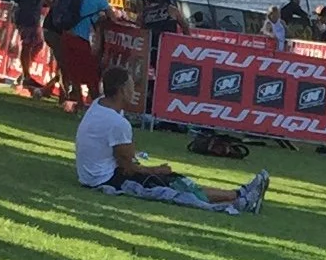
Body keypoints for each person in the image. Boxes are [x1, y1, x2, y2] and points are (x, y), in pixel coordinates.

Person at [73, 92, 267, 214]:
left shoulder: (100, 105)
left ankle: (239, 194)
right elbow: (130, 167)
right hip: (108, 179)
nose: (135, 91)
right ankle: (239, 202)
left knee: (179, 181)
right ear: (122, 90)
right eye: (131, 86)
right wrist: (157, 170)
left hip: (103, 173)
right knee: (176, 190)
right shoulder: (118, 123)